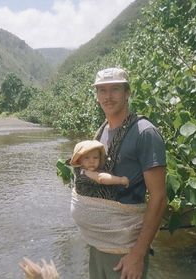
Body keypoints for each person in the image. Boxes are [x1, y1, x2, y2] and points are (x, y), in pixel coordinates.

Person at [71, 67, 167, 279]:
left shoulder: (145, 133)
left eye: (115, 89)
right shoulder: (102, 130)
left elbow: (159, 198)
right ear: (96, 95)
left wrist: (138, 254)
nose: (108, 96)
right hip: (98, 246)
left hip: (125, 252)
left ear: (127, 93)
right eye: (102, 90)